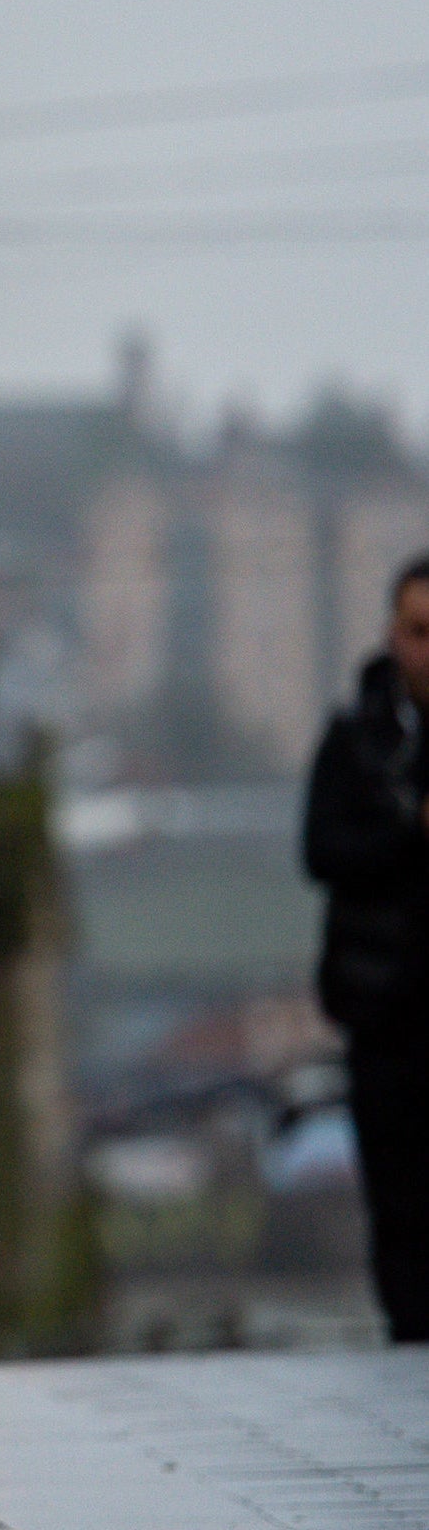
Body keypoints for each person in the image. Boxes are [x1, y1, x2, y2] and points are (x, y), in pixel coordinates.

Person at [301, 553, 429, 1344]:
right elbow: (322, 851)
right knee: (401, 1198)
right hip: (386, 1009)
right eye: (418, 631)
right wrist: (409, 833)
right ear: (393, 634)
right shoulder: (355, 739)